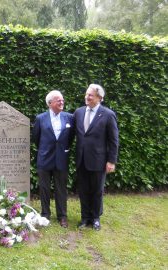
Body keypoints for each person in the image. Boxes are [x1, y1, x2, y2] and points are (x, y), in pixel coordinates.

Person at [74, 84, 119, 231]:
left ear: (99, 98)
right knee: (83, 189)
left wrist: (111, 161)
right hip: (81, 159)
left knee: (97, 190)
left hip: (98, 160)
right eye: (86, 94)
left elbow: (113, 140)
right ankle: (85, 217)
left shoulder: (108, 114)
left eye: (90, 95)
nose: (87, 97)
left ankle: (95, 218)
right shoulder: (79, 112)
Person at [32, 90, 74, 228]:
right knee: (44, 188)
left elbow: (71, 138)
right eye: (58, 100)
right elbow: (36, 138)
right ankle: (45, 214)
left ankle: (62, 216)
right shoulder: (40, 118)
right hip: (44, 158)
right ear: (50, 103)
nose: (62, 102)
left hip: (61, 158)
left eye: (62, 100)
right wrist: (45, 149)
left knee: (61, 188)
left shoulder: (69, 117)